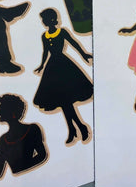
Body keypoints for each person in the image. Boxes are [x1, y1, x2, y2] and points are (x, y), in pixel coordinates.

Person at [33, 8, 93, 145]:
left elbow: (74, 43)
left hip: (65, 68)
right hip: (52, 70)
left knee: (65, 102)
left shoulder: (62, 32)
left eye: (45, 19)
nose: (43, 22)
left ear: (51, 19)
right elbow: (45, 52)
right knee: (64, 102)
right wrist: (42, 65)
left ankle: (75, 129)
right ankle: (78, 128)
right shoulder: (44, 36)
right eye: (42, 20)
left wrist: (84, 54)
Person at [0, 94, 48, 178]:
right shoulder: (4, 140)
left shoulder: (32, 129)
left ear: (11, 111)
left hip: (37, 177)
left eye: (1, 108)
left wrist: (19, 168)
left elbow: (42, 155)